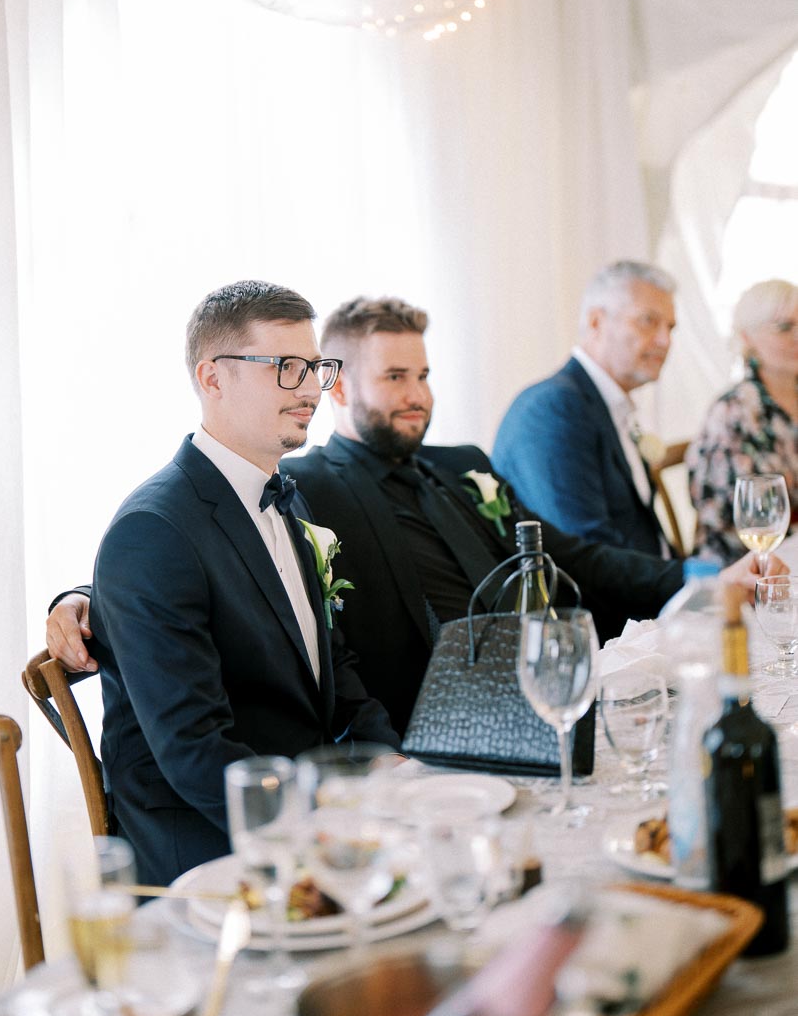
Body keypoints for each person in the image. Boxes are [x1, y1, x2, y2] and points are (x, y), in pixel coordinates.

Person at [49, 296, 776, 741]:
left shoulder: (464, 464)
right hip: (435, 729)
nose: (417, 394)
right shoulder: (305, 482)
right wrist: (81, 601)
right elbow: (197, 544)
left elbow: (577, 558)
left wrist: (706, 578)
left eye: (423, 375)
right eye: (394, 377)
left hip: (554, 697)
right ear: (338, 390)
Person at [69, 280, 398, 885]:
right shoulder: (153, 531)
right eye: (285, 367)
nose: (309, 391)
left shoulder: (287, 502)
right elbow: (194, 752)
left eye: (315, 367)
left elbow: (335, 671)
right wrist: (323, 831)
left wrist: (398, 772)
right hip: (210, 851)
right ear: (212, 378)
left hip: (300, 813)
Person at [491, 261, 677, 556]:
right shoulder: (554, 409)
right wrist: (691, 580)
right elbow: (585, 554)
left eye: (670, 327)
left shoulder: (607, 405)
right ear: (596, 322)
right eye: (648, 321)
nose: (665, 341)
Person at [688, 278, 798, 563]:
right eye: (784, 328)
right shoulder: (732, 413)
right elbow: (728, 518)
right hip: (741, 567)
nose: (797, 336)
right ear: (747, 338)